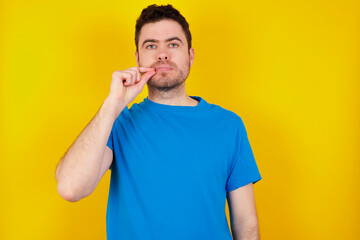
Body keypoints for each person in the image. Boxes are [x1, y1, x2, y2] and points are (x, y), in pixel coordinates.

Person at [55, 4, 262, 240]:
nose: (162, 54)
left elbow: (246, 223)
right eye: (151, 45)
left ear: (190, 55)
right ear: (137, 57)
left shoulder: (229, 125)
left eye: (173, 44)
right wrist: (113, 104)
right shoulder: (117, 123)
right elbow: (70, 188)